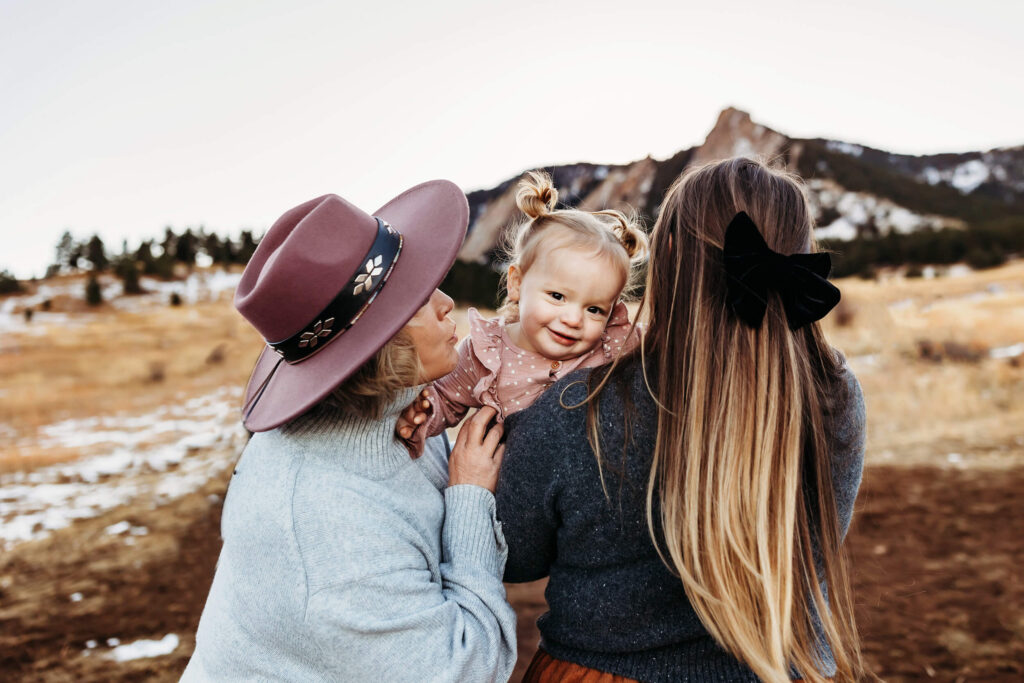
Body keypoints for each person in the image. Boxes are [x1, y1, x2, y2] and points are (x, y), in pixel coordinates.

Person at [496, 157, 867, 682]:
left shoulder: (579, 404)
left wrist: (470, 483)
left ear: (666, 256)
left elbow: (515, 558)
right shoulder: (836, 395)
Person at [182, 182, 517, 682]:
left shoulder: (400, 411)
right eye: (420, 299)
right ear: (380, 347)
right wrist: (468, 499)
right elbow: (467, 669)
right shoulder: (326, 534)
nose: (449, 304)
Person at [400, 171, 648, 449]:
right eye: (557, 296)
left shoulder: (613, 344)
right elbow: (446, 399)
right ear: (516, 283)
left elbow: (669, 352)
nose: (574, 319)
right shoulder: (485, 353)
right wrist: (422, 414)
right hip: (511, 485)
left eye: (594, 309)